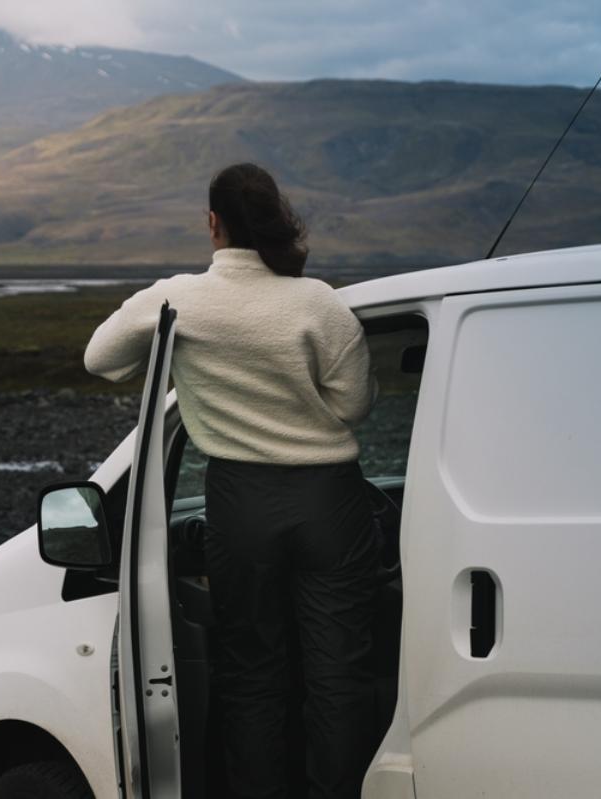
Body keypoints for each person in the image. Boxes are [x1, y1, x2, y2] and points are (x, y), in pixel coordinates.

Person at [83, 162, 380, 799]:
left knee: (252, 673)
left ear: (212, 223)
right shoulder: (318, 302)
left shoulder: (178, 299)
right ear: (277, 219)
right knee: (339, 673)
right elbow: (354, 405)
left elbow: (99, 358)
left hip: (240, 507)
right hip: (329, 503)